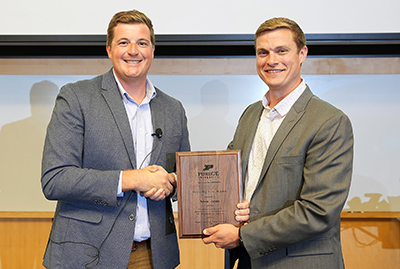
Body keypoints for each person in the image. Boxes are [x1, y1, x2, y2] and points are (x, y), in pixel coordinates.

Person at [41, 10, 189, 269]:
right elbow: (55, 179)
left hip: (153, 255)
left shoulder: (173, 108)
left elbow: (183, 172)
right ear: (109, 49)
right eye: (124, 42)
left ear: (153, 50)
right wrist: (134, 178)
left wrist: (172, 182)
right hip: (88, 254)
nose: (134, 50)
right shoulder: (76, 98)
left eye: (142, 43)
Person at [202, 17, 354, 269]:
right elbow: (228, 177)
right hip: (249, 259)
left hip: (298, 261)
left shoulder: (330, 121)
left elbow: (318, 211)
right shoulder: (250, 114)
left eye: (281, 51)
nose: (271, 60)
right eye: (263, 52)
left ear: (302, 53)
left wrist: (242, 236)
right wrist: (177, 182)